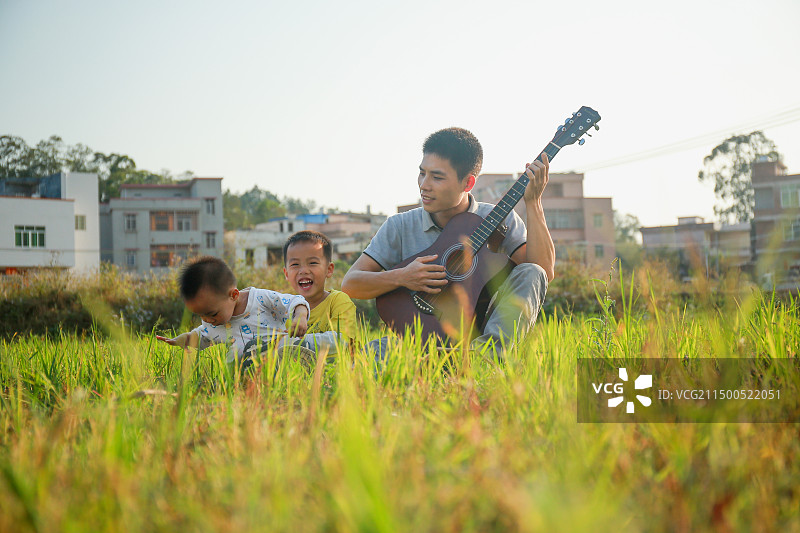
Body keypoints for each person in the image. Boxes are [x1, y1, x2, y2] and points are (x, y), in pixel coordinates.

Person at [341, 127, 554, 359]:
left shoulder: (497, 218)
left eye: (437, 177)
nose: (424, 184)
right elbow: (351, 284)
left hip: (481, 332)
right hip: (418, 340)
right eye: (422, 173)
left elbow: (541, 272)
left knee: (531, 270)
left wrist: (533, 202)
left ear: (468, 182)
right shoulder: (399, 226)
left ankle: (485, 358)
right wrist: (401, 277)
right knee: (370, 356)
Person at [156, 255, 311, 368]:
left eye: (211, 314)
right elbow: (202, 335)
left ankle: (314, 356)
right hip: (253, 365)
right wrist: (185, 339)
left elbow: (294, 301)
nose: (207, 320)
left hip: (283, 344)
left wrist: (300, 316)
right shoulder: (214, 325)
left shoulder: (260, 298)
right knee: (233, 359)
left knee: (318, 341)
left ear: (234, 295)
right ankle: (230, 386)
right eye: (200, 315)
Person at [282, 230, 357, 356]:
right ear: (286, 274)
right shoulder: (283, 308)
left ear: (329, 269)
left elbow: (342, 340)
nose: (304, 270)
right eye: (295, 264)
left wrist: (292, 343)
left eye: (313, 263)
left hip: (337, 372)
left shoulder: (338, 300)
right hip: (297, 374)